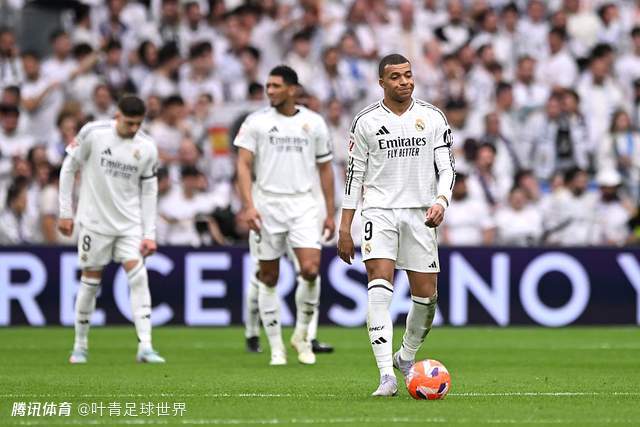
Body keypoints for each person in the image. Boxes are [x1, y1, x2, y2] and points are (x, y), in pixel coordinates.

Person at [337, 54, 455, 396]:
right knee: (379, 283)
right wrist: (345, 227)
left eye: (408, 75)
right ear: (381, 83)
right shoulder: (366, 121)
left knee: (427, 298)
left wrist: (441, 200)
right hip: (379, 211)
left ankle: (406, 356)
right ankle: (386, 376)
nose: (404, 81)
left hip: (420, 213)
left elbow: (447, 167)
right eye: (395, 77)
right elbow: (354, 177)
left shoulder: (432, 117)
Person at [234, 65, 335, 366]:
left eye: (276, 86)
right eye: (268, 86)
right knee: (268, 276)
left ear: (292, 89)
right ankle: (276, 346)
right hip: (267, 205)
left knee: (311, 270)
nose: (270, 91)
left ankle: (301, 336)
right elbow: (243, 165)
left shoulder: (313, 122)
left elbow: (325, 169)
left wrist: (330, 212)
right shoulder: (256, 122)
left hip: (303, 204)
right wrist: (248, 205)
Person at [58, 95, 164, 364]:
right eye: (129, 123)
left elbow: (149, 191)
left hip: (129, 225)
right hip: (95, 223)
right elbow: (68, 168)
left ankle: (146, 346)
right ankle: (80, 346)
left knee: (139, 278)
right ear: (117, 116)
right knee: (90, 283)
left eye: (138, 124)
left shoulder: (147, 147)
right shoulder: (93, 133)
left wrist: (149, 234)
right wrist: (65, 212)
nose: (134, 129)